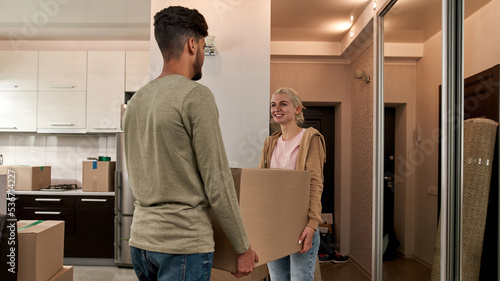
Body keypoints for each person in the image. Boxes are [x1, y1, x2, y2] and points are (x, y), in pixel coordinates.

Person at [123, 6, 258, 280]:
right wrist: (242, 247)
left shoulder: (135, 101)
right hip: (182, 244)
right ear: (192, 44)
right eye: (203, 47)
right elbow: (218, 182)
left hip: (140, 242)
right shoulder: (196, 96)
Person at [259, 88, 326, 281]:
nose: (276, 108)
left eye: (283, 103)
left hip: (300, 224)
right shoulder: (270, 143)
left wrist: (312, 223)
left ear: (298, 109)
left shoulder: (310, 139)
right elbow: (260, 183)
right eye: (273, 104)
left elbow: (315, 183)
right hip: (274, 225)